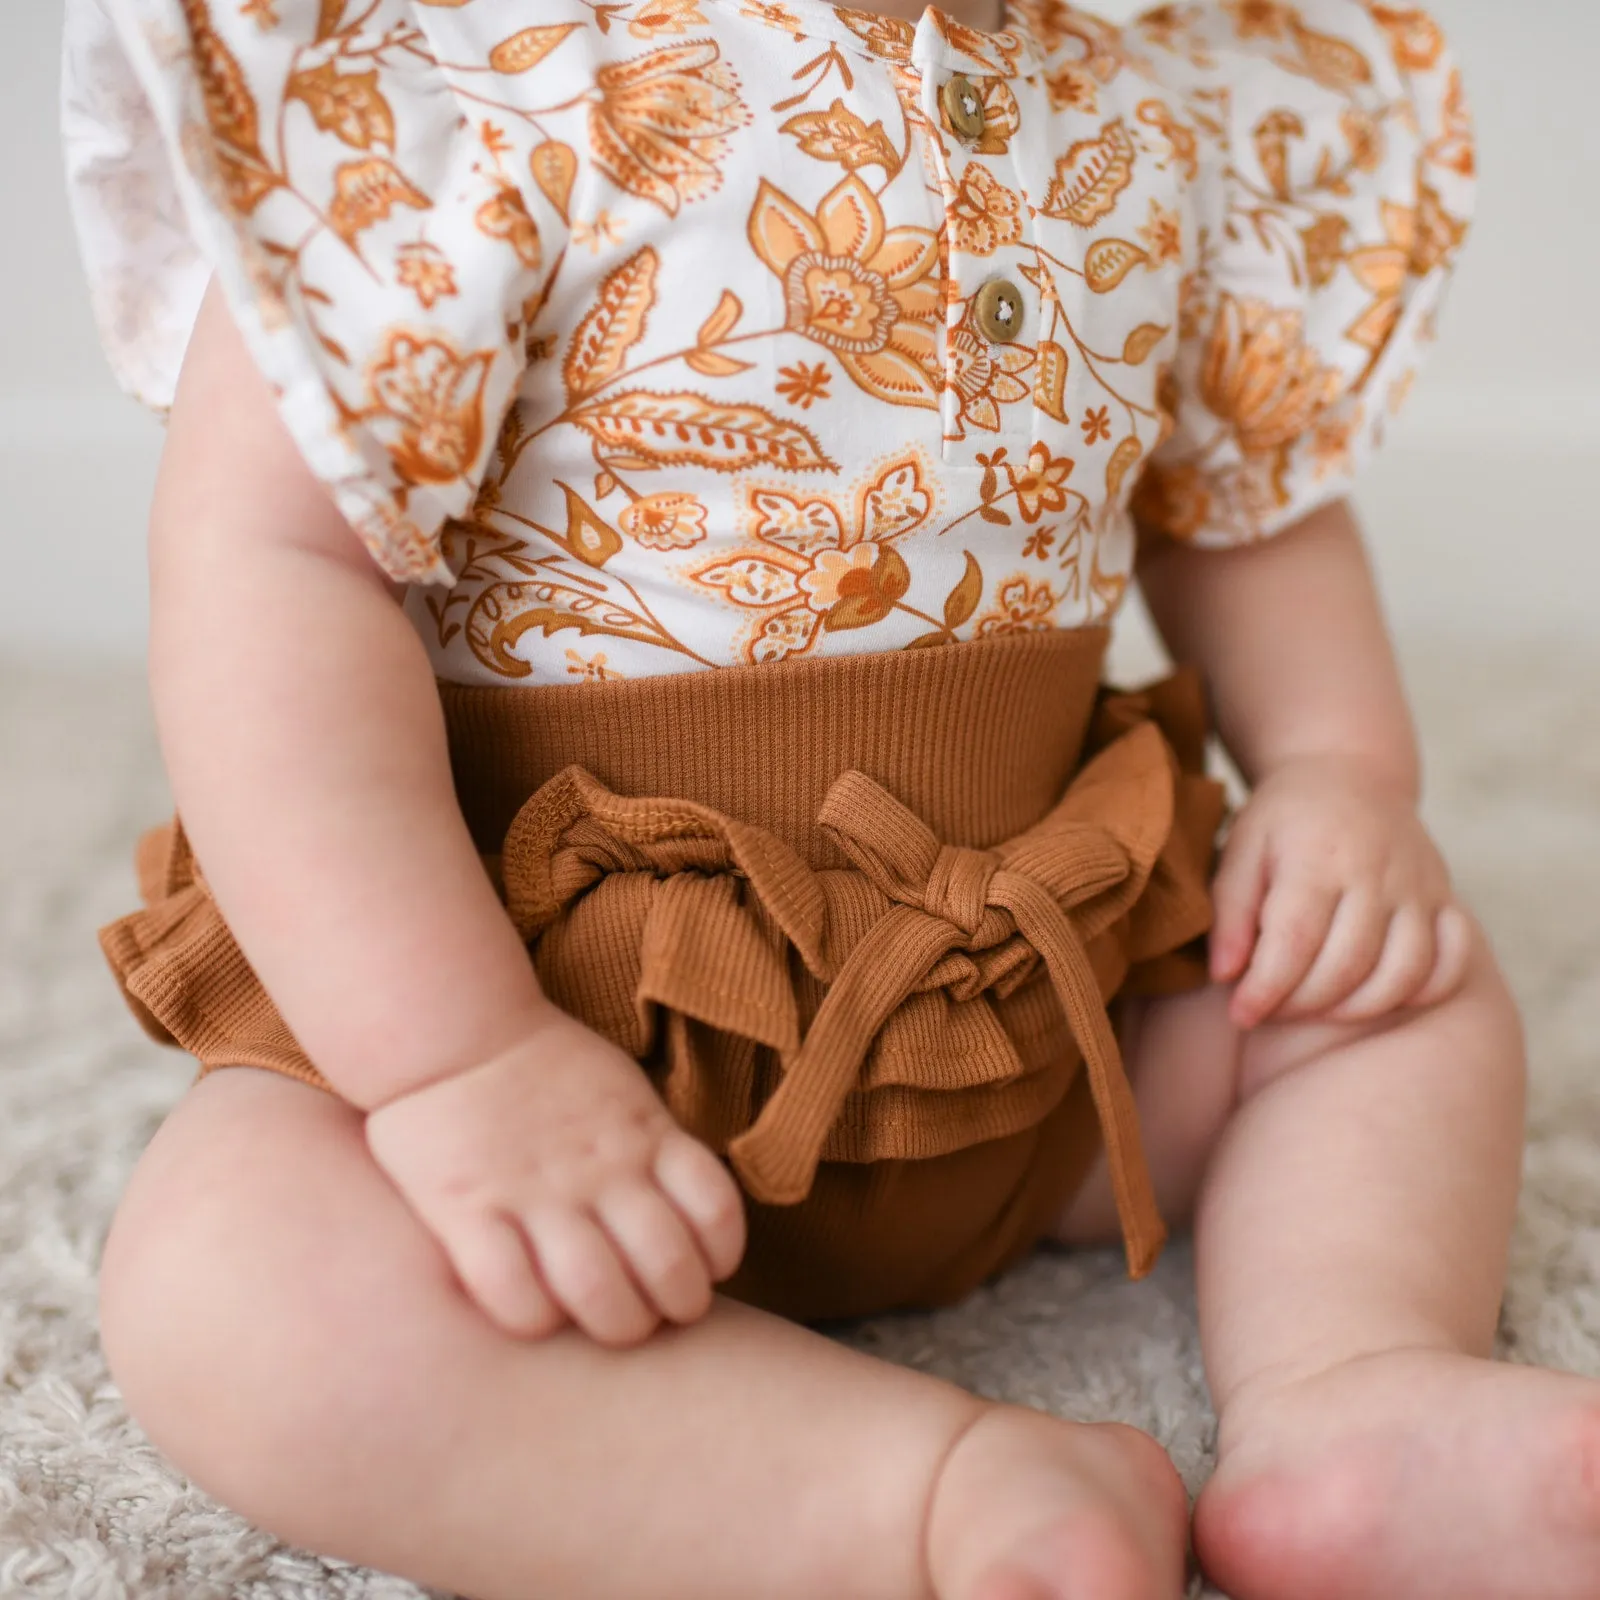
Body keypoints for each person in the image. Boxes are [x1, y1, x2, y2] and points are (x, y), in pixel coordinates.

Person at [63, 0, 1587, 1595]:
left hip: (1039, 1017)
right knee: (234, 1280)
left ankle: (1347, 1392)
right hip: (560, 1039)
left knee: (1384, 979)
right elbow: (271, 569)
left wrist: (1341, 777)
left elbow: (1243, 504)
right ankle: (910, 1502)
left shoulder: (1151, 81)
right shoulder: (455, 77)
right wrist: (454, 1060)